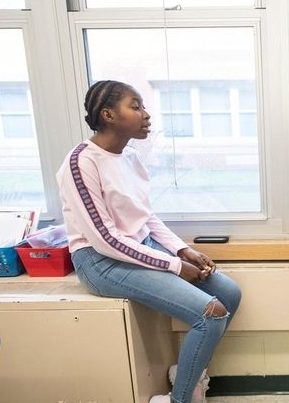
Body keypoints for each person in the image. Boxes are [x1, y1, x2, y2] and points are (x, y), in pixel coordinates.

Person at [56, 80, 241, 403]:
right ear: (109, 114)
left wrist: (182, 249)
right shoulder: (80, 162)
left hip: (136, 247)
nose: (146, 114)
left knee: (228, 293)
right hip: (100, 262)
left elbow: (144, 215)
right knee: (210, 313)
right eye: (136, 106)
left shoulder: (129, 157)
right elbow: (104, 239)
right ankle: (180, 399)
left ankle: (188, 374)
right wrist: (174, 265)